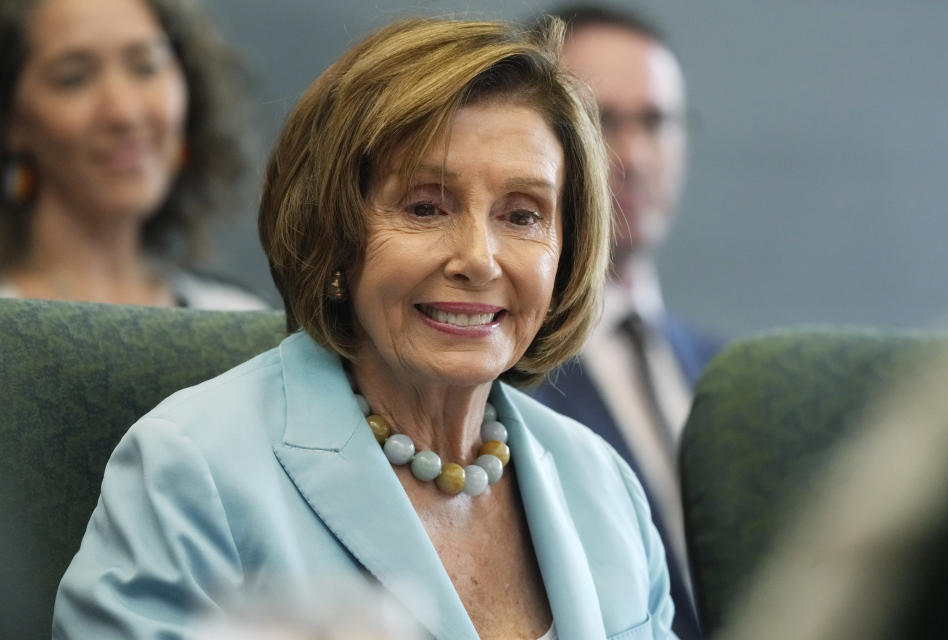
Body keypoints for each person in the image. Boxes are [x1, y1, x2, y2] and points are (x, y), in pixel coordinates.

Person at [53, 16, 678, 640]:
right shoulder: (191, 471)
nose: (479, 259)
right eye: (426, 207)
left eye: (522, 215)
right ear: (336, 238)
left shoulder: (605, 484)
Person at [528, 6, 723, 638]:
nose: (634, 154)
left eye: (657, 122)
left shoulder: (733, 376)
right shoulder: (488, 374)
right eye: (601, 121)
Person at [0, 0, 266, 309]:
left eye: (147, 66)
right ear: (12, 121)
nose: (124, 113)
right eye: (73, 78)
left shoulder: (237, 317)